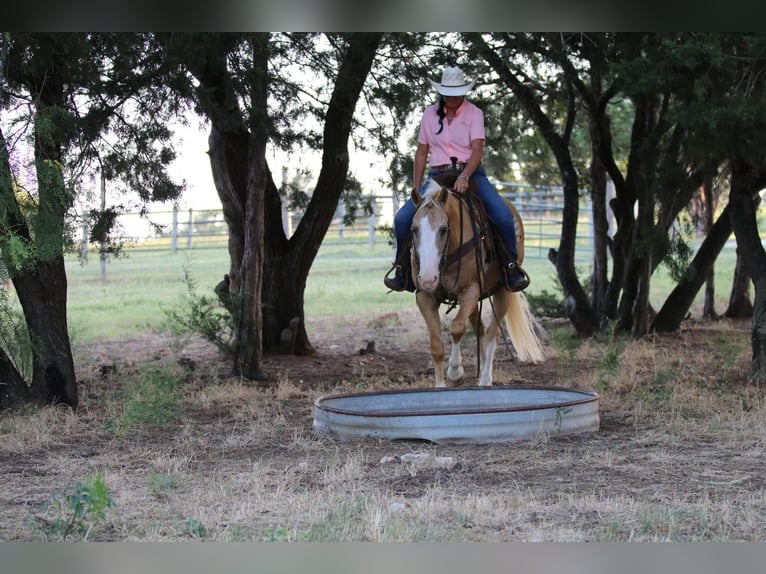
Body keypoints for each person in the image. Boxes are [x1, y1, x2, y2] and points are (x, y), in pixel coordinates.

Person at [384, 65, 530, 293]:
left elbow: (477, 150)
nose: (453, 97)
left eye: (457, 92)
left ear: (464, 92)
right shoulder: (429, 114)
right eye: (448, 93)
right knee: (403, 218)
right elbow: (421, 152)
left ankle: (510, 268)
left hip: (470, 174)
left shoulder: (475, 114)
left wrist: (464, 174)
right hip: (437, 175)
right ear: (442, 92)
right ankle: (403, 270)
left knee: (502, 215)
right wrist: (416, 188)